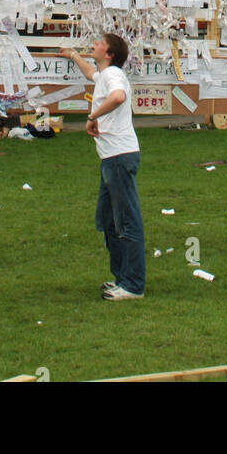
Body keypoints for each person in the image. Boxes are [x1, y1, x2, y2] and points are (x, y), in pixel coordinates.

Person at [60, 34, 145, 300]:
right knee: (109, 221)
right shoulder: (103, 75)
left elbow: (118, 97)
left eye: (99, 43)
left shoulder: (114, 76)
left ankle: (133, 285)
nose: (94, 45)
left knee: (126, 221)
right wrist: (72, 55)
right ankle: (121, 278)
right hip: (111, 158)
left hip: (120, 157)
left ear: (108, 54)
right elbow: (90, 73)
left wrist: (92, 117)